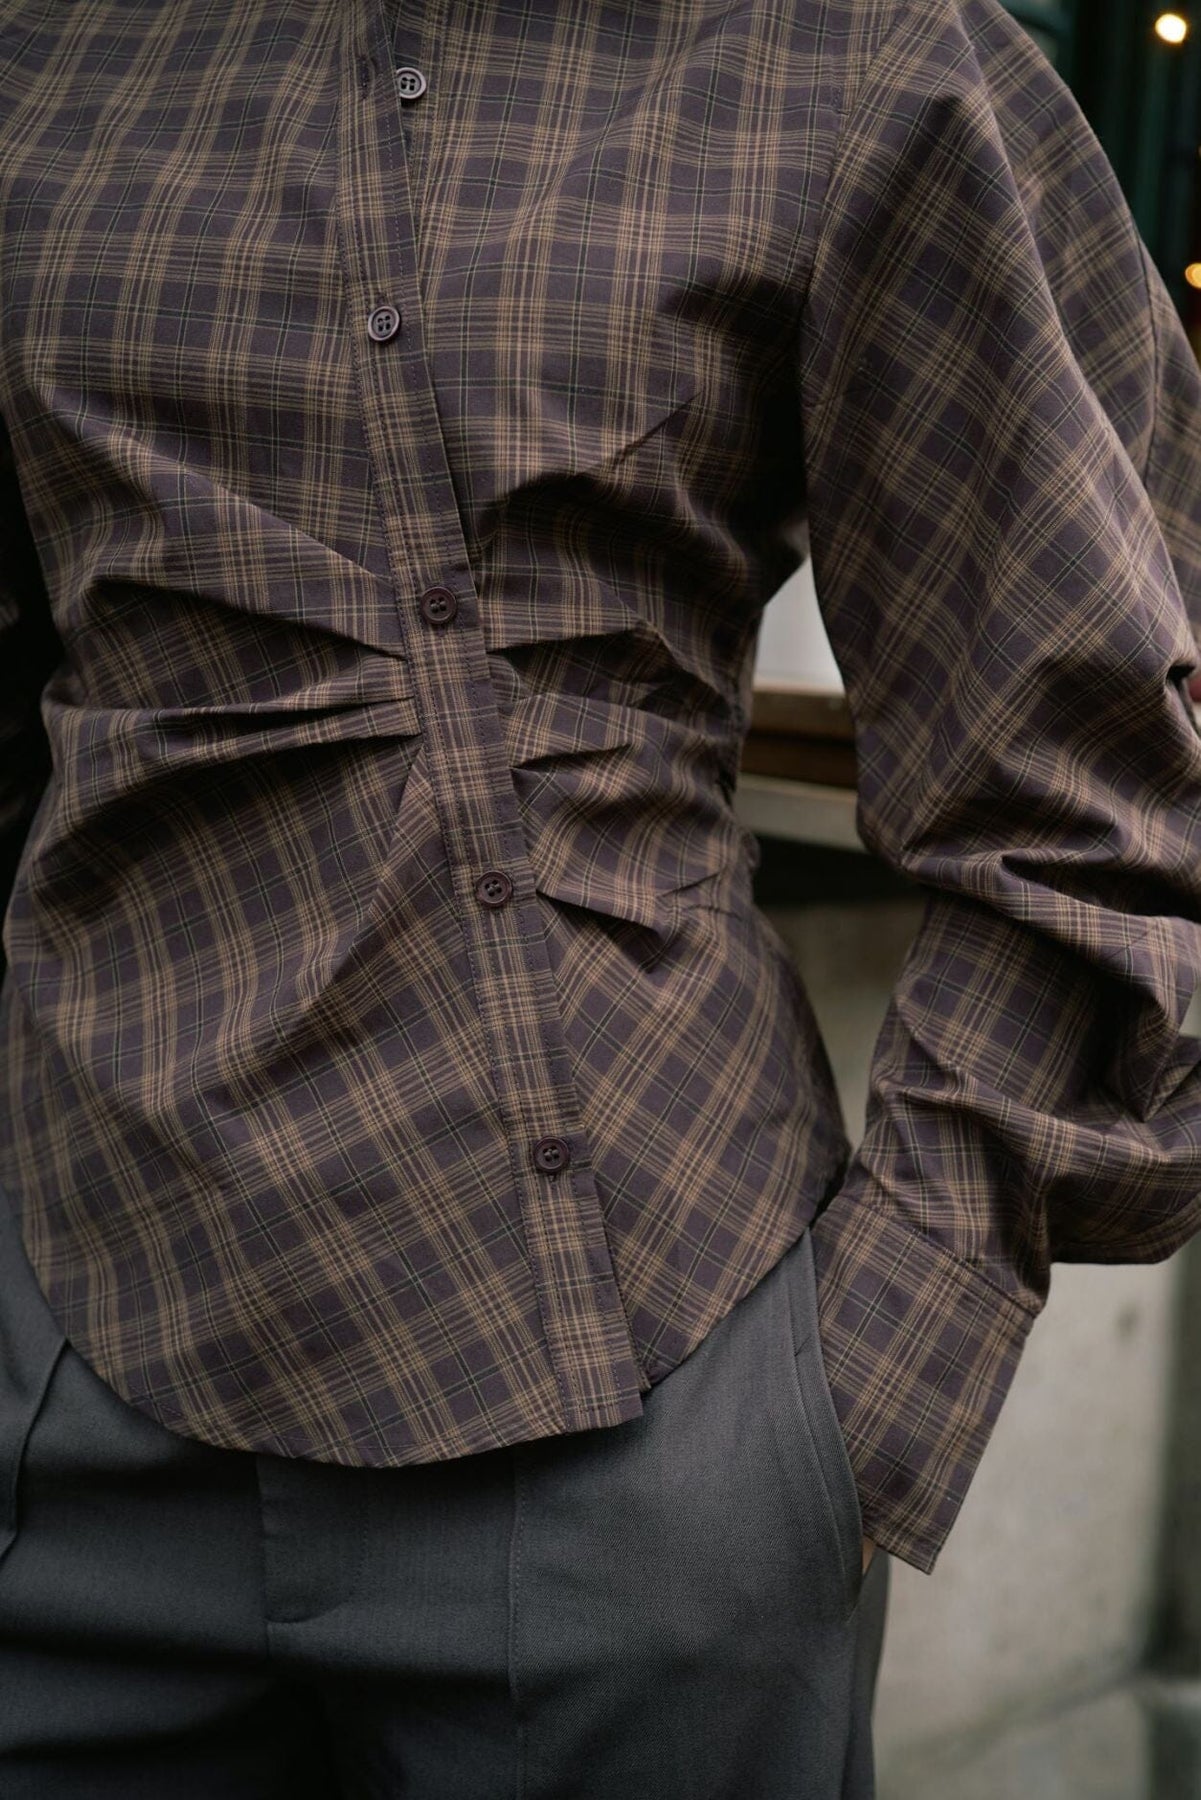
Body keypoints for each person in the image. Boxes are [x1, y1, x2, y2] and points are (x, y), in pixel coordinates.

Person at [1, 0, 1199, 1792]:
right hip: (67, 1364)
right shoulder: (45, 60)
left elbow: (1098, 769)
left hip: (649, 1411)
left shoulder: (844, 54)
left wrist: (855, 1396)